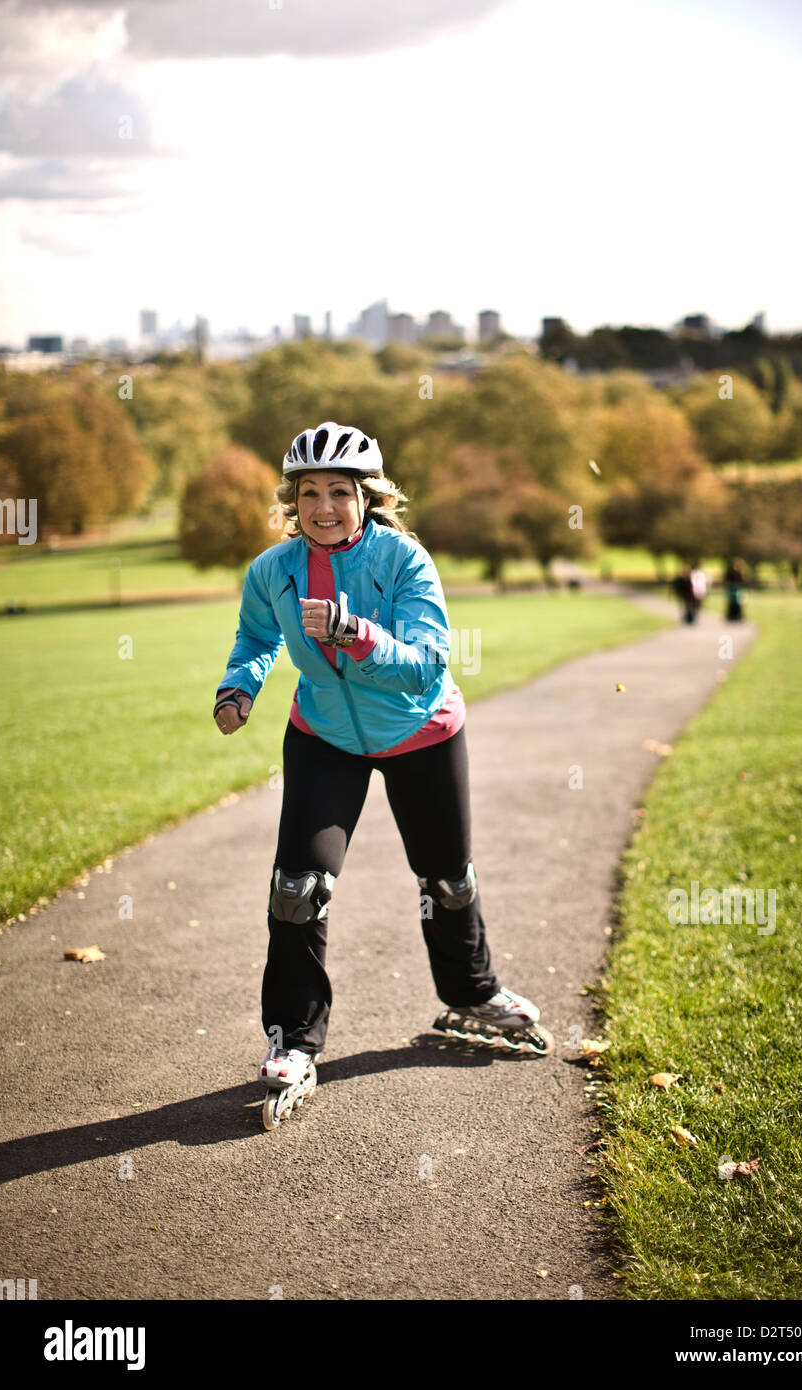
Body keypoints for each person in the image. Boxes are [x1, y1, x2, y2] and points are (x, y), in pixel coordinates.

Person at [213, 422, 552, 1123]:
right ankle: (294, 1040)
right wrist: (238, 686)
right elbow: (255, 636)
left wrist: (354, 634)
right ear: (293, 500)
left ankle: (471, 993)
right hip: (325, 738)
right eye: (310, 493)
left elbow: (426, 660)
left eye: (341, 491)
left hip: (420, 732)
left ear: (369, 498)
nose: (325, 506)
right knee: (297, 888)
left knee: (447, 879)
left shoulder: (403, 562)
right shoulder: (271, 571)